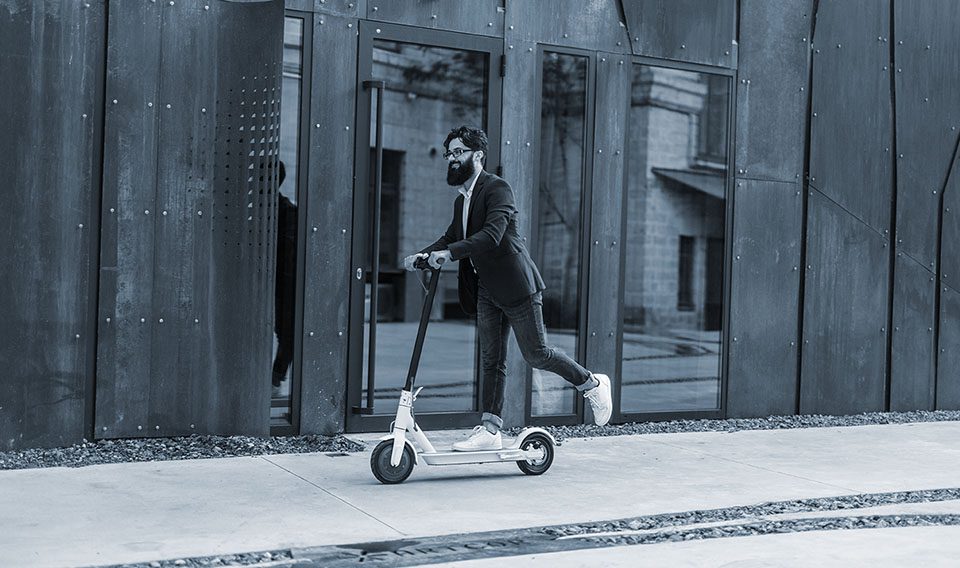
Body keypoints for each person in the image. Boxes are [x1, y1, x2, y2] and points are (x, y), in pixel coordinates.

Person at [403, 125, 613, 452]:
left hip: (517, 288)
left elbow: (492, 235)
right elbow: (451, 238)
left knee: (536, 354)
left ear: (479, 155)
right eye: (449, 154)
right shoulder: (462, 202)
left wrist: (451, 254)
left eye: (458, 152)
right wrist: (425, 254)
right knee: (491, 359)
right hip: (487, 289)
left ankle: (592, 383)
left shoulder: (498, 189)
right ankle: (490, 429)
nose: (452, 159)